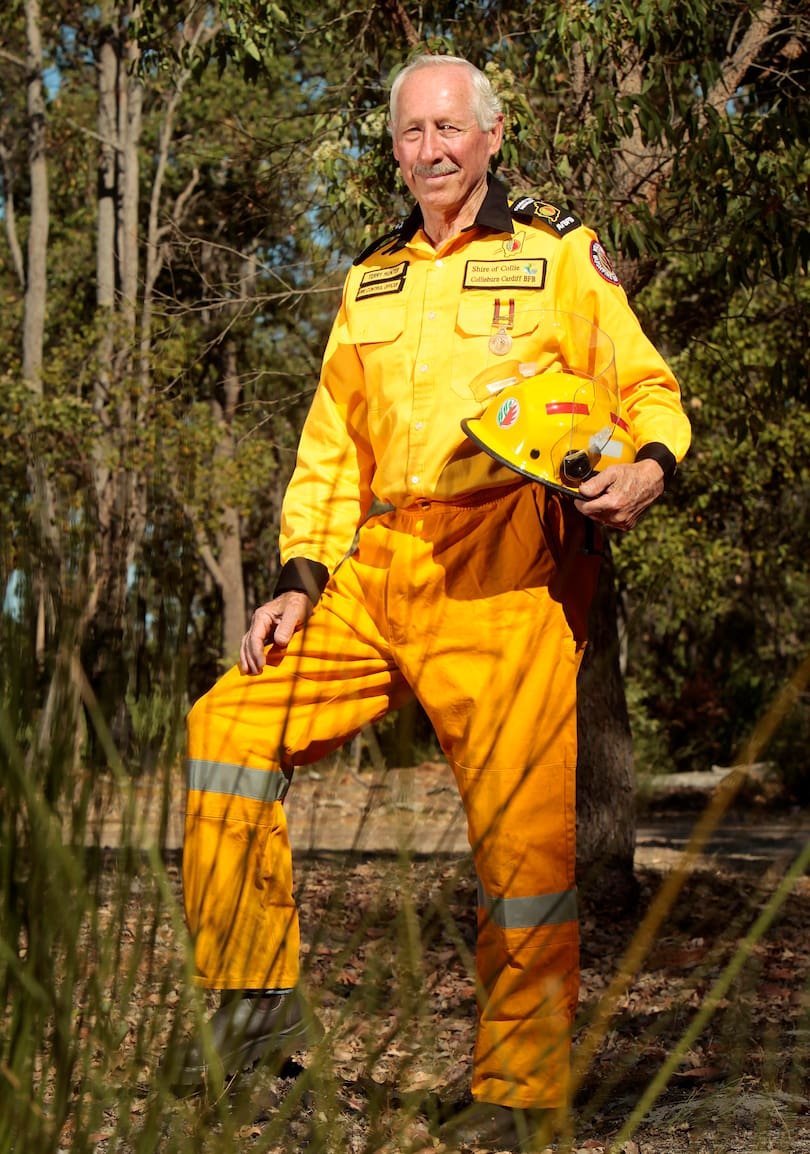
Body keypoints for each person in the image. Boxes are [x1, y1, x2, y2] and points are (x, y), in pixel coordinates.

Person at [175, 53, 691, 1149]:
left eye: (450, 128)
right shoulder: (370, 281)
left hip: (507, 576)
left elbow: (647, 386)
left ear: (492, 136)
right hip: (380, 569)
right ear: (396, 148)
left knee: (522, 852)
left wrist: (649, 464)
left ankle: (517, 1087)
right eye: (412, 133)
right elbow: (329, 451)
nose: (432, 149)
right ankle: (254, 1012)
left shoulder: (557, 255)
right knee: (227, 726)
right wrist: (298, 580)